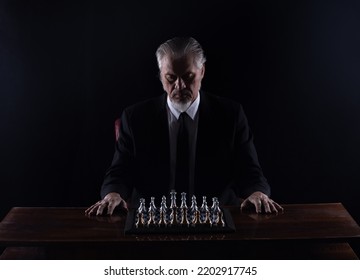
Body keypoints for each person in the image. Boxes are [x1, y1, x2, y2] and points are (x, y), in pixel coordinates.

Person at [85, 37, 283, 216]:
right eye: (171, 78)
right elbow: (120, 170)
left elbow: (249, 170)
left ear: (202, 71)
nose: (179, 86)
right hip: (152, 221)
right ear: (161, 76)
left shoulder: (230, 115)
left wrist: (257, 193)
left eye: (188, 77)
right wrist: (113, 194)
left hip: (215, 221)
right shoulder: (135, 117)